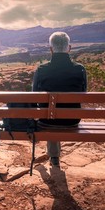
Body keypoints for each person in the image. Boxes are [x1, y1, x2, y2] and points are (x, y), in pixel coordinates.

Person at [32, 32, 87, 168]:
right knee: (55, 113)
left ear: (51, 49)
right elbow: (84, 93)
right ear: (69, 48)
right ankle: (54, 156)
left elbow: (34, 95)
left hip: (47, 121)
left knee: (50, 115)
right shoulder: (79, 69)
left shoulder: (41, 70)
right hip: (72, 120)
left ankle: (54, 156)